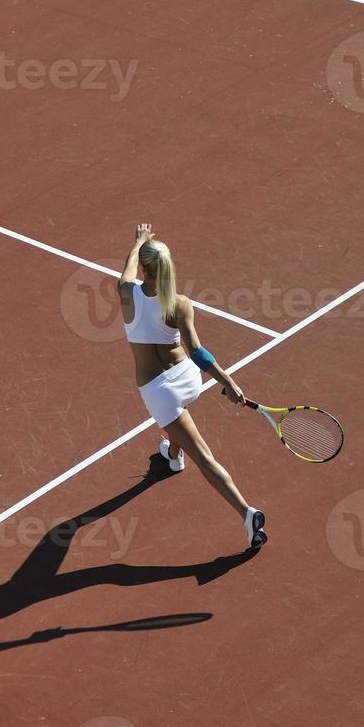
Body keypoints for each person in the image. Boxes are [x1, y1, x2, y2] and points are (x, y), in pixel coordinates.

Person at [119, 224, 266, 547]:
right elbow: (197, 352)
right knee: (179, 427)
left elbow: (127, 271)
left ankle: (247, 514)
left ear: (144, 266)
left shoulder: (126, 293)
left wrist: (139, 241)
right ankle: (173, 456)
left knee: (204, 456)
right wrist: (227, 382)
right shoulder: (181, 304)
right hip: (188, 377)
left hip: (160, 392)